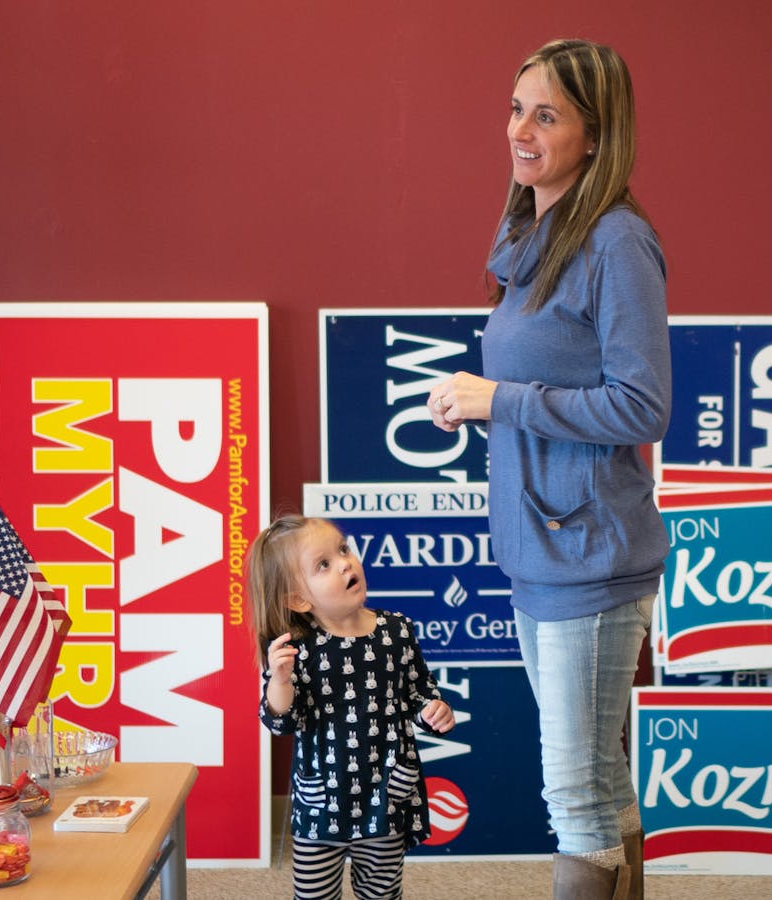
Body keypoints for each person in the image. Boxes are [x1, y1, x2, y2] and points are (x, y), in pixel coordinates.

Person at [427, 38, 669, 900]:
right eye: (516, 107)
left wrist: (502, 400)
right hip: (542, 552)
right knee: (597, 784)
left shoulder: (617, 242)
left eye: (547, 114)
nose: (520, 131)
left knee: (575, 795)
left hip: (591, 560)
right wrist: (478, 399)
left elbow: (643, 407)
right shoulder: (535, 230)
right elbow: (536, 378)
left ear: (597, 136)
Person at [249, 514, 455, 899]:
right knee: (314, 894)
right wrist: (279, 681)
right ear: (299, 598)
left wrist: (434, 708)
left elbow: (417, 691)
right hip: (322, 801)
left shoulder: (396, 630)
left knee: (382, 892)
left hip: (386, 796)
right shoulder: (297, 649)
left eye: (343, 549)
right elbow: (280, 721)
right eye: (323, 564)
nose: (345, 562)